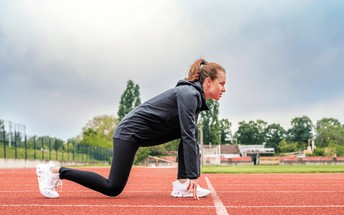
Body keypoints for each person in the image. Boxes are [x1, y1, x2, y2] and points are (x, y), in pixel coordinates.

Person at [36, 58, 226, 200]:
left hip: (142, 133)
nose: (224, 89)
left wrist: (189, 176)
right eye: (222, 83)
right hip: (128, 132)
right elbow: (188, 135)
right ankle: (54, 171)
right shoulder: (189, 94)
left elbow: (188, 135)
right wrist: (194, 174)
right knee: (112, 188)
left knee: (189, 132)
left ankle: (181, 185)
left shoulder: (194, 98)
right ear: (208, 81)